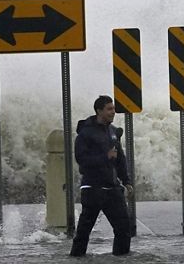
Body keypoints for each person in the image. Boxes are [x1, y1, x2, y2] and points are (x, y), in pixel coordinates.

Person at [70, 94, 133, 256]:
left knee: (124, 228)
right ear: (99, 111)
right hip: (93, 188)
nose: (113, 112)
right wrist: (105, 157)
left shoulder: (113, 132)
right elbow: (81, 159)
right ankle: (76, 258)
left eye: (113, 109)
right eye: (109, 109)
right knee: (84, 232)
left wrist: (126, 181)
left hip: (112, 188)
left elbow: (120, 159)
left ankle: (121, 258)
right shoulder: (86, 133)